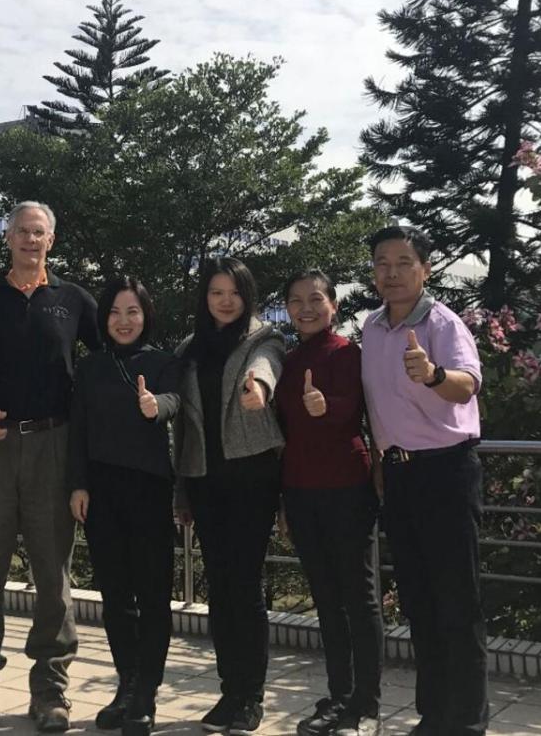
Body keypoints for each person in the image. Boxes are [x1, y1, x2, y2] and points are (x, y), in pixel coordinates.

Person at [0, 201, 99, 736]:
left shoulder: (74, 300)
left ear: (51, 241)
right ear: (8, 238)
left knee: (53, 577)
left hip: (54, 446)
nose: (30, 240)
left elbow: (108, 364)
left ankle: (50, 691)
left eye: (39, 233)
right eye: (21, 232)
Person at [361, 225, 485, 736]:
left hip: (446, 472)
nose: (391, 272)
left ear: (425, 269)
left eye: (403, 262)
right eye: (382, 263)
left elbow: (467, 385)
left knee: (458, 601)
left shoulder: (443, 323)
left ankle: (467, 721)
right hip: (399, 474)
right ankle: (433, 715)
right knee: (419, 601)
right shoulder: (370, 327)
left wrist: (432, 374)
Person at [173, 256, 285, 735]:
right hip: (204, 481)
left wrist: (258, 386)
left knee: (244, 583)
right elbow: (180, 426)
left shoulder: (263, 338)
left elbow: (267, 366)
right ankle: (229, 691)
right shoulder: (189, 349)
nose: (225, 301)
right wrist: (181, 490)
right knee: (220, 587)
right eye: (216, 292)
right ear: (205, 297)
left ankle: (251, 695)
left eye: (233, 293)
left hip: (252, 479)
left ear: (247, 297)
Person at [68, 277, 178, 736]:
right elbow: (79, 430)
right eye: (114, 311)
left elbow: (178, 402)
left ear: (145, 314)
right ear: (104, 318)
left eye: (132, 311)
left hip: (150, 489)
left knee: (152, 597)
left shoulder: (164, 361)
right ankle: (127, 685)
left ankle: (146, 693)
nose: (123, 320)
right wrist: (78, 485)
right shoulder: (90, 367)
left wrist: (158, 406)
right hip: (102, 491)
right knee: (115, 598)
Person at [275, 270, 383, 736]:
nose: (306, 308)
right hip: (300, 490)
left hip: (346, 486)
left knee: (357, 597)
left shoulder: (348, 353)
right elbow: (286, 433)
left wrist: (328, 406)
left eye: (315, 299)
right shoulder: (289, 357)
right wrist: (283, 501)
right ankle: (340, 696)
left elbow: (355, 408)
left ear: (333, 305)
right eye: (296, 301)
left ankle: (367, 704)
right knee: (325, 598)